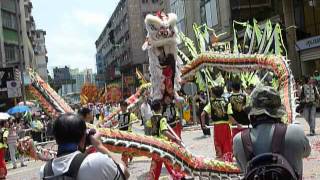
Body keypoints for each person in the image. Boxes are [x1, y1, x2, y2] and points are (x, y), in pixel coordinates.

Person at [233, 86, 311, 179]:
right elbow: (306, 152)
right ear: (278, 112)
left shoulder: (239, 140)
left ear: (252, 113)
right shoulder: (295, 132)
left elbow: (242, 167)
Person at [40, 113, 129, 180]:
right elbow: (125, 173)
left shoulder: (45, 171)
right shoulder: (97, 161)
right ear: (83, 137)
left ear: (56, 138)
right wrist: (99, 146)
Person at [147, 100, 184, 180]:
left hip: (155, 144)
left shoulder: (152, 119)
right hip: (163, 145)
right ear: (161, 107)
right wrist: (174, 138)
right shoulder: (162, 119)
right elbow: (164, 131)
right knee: (170, 163)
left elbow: (148, 128)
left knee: (155, 166)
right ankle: (178, 177)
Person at [201, 86, 234, 162]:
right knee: (227, 145)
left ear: (214, 94)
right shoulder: (227, 102)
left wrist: (203, 125)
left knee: (218, 145)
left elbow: (202, 114)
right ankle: (229, 165)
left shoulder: (211, 103)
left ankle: (220, 165)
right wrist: (237, 123)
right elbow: (230, 116)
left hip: (217, 128)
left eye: (211, 93)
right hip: (226, 127)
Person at [117, 101, 138, 167]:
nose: (122, 108)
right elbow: (119, 123)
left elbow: (137, 120)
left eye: (123, 106)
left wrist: (132, 122)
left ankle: (124, 163)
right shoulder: (119, 115)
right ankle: (130, 155)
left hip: (128, 134)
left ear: (126, 107)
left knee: (125, 149)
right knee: (124, 148)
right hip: (121, 133)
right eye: (121, 106)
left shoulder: (130, 114)